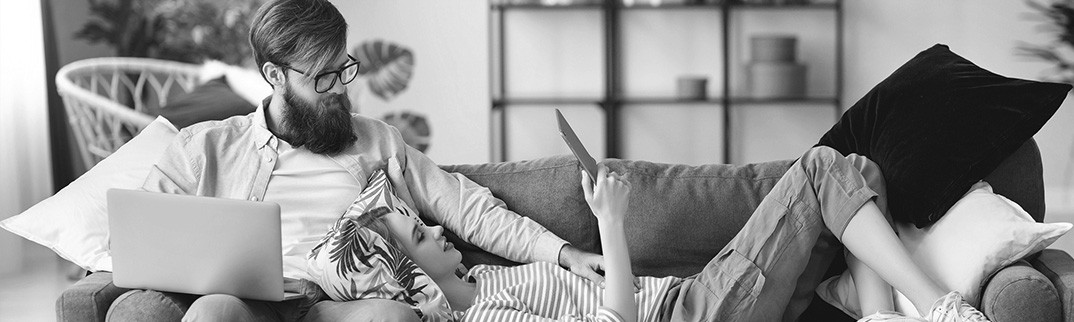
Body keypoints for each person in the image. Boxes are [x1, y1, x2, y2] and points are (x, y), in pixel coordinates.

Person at [104, 0, 605, 321]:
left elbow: (466, 206)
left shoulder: (375, 142)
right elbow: (139, 234)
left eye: (343, 69)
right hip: (245, 303)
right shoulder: (205, 148)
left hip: (331, 305)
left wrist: (564, 253)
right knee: (213, 314)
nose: (339, 89)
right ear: (274, 75)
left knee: (394, 320)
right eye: (321, 78)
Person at [358, 146, 992, 322]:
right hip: (690, 313)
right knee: (828, 169)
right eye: (419, 236)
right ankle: (942, 309)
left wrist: (577, 258)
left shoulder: (486, 276)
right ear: (410, 282)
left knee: (858, 172)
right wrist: (610, 225)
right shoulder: (488, 317)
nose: (437, 230)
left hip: (691, 296)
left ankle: (881, 316)